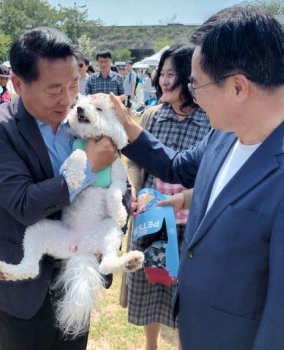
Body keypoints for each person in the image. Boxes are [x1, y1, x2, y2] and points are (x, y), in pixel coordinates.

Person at [110, 5, 284, 350]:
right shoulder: (225, 134)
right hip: (196, 327)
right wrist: (127, 128)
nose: (194, 94)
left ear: (237, 87)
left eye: (196, 83)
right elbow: (177, 167)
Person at [0, 27, 117, 350]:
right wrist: (88, 169)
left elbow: (113, 171)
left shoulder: (81, 117)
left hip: (77, 273)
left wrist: (122, 199)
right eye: (54, 90)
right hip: (25, 286)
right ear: (19, 83)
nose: (67, 99)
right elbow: (24, 203)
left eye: (73, 84)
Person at [126, 44, 210, 350]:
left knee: (184, 294)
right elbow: (136, 162)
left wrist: (186, 198)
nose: (162, 80)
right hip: (151, 221)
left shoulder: (210, 121)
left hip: (190, 224)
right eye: (161, 73)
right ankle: (150, 345)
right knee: (151, 285)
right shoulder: (151, 115)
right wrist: (134, 189)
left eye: (171, 74)